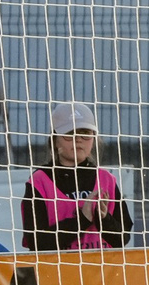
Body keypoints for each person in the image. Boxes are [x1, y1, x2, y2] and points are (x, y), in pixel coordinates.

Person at [19, 104, 132, 252]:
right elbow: (37, 243)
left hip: (102, 271)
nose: (78, 139)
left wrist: (104, 219)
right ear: (54, 139)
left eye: (85, 132)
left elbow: (122, 239)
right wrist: (82, 220)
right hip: (58, 271)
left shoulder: (106, 179)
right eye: (70, 132)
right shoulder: (40, 181)